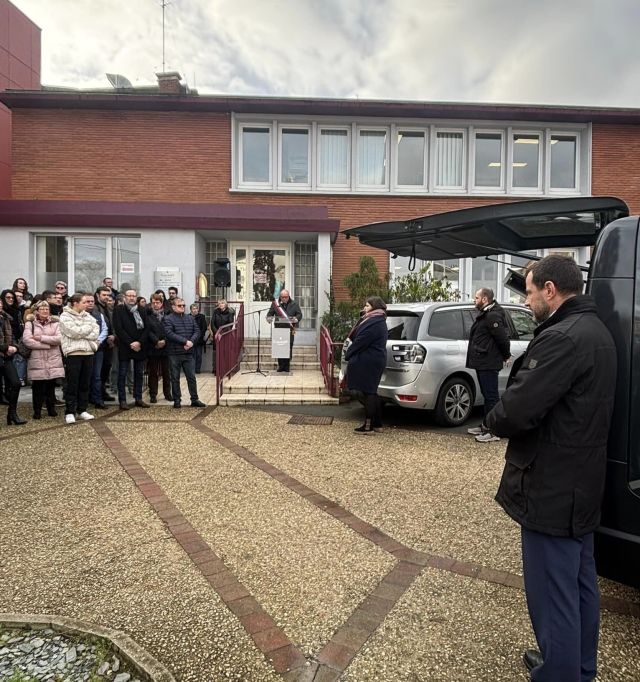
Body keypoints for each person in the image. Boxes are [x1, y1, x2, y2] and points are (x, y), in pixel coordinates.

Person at [485, 255, 617, 682]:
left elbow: (519, 409)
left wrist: (489, 419)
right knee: (580, 586)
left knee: (552, 594)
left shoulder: (562, 337)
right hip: (582, 482)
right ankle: (578, 666)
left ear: (550, 290)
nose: (525, 301)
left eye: (528, 291)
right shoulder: (598, 331)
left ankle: (559, 673)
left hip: (551, 487)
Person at [465, 287, 511, 443]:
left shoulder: (493, 316)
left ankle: (494, 430)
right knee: (487, 395)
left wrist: (506, 355)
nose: (474, 300)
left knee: (491, 397)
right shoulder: (486, 314)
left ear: (485, 299)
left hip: (488, 361)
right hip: (482, 360)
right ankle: (486, 425)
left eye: (476, 297)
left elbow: (502, 338)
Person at [344, 296, 388, 434]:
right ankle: (377, 424)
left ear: (375, 307)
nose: (364, 308)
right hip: (373, 359)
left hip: (369, 361)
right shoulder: (375, 320)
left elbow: (361, 341)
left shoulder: (374, 322)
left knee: (368, 392)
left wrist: (348, 354)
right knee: (371, 392)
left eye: (367, 306)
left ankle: (368, 426)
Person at [59, 293, 100, 424]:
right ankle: (70, 411)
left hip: (88, 352)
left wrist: (83, 331)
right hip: (73, 353)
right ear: (75, 303)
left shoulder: (88, 316)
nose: (87, 304)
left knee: (85, 383)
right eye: (84, 302)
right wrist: (86, 329)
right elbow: (73, 332)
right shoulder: (65, 316)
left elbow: (96, 331)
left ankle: (82, 409)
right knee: (72, 383)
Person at [22, 300, 64, 419]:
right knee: (38, 387)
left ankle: (51, 409)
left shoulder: (55, 323)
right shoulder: (30, 324)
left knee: (51, 386)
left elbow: (59, 339)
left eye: (47, 309)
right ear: (36, 311)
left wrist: (41, 338)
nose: (45, 311)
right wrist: (47, 345)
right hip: (37, 359)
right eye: (42, 309)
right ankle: (37, 411)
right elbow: (27, 340)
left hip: (53, 359)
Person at [164, 297, 205, 408]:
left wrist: (191, 342)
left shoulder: (190, 318)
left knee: (191, 377)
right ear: (173, 307)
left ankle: (194, 399)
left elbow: (197, 331)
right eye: (179, 305)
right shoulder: (168, 319)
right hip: (174, 353)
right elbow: (169, 333)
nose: (182, 307)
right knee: (175, 377)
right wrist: (185, 341)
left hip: (188, 353)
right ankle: (177, 400)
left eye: (183, 305)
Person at [112, 289, 149, 410]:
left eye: (134, 296)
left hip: (140, 346)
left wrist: (139, 342)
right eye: (129, 296)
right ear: (125, 297)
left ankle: (138, 398)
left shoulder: (142, 310)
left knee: (139, 374)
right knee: (122, 373)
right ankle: (122, 400)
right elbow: (119, 328)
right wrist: (131, 343)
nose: (132, 298)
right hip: (125, 346)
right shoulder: (119, 310)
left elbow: (147, 328)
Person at [0, 296, 26, 425]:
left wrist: (15, 347)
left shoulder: (6, 318)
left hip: (6, 357)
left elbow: (13, 337)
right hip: (4, 352)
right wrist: (6, 347)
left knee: (15, 383)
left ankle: (12, 414)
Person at [265, 289, 302, 372]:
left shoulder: (294, 304)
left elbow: (299, 314)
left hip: (289, 329)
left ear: (288, 296)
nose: (284, 299)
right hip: (279, 329)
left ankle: (287, 366)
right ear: (280, 297)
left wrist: (296, 318)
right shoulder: (276, 304)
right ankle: (281, 366)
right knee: (279, 347)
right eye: (282, 297)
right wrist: (269, 318)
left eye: (286, 297)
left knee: (289, 347)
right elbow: (270, 314)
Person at [145, 293, 173, 403]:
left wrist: (164, 341)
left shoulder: (168, 315)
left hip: (166, 347)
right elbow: (148, 330)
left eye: (158, 302)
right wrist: (156, 341)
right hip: (153, 347)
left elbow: (170, 329)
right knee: (153, 372)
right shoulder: (147, 315)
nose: (155, 305)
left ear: (162, 303)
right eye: (153, 303)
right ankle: (153, 394)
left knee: (166, 372)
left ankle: (167, 393)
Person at [86, 294, 109, 409]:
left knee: (97, 376)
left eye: (92, 301)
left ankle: (97, 399)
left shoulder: (99, 314)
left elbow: (105, 329)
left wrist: (99, 341)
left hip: (98, 349)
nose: (90, 303)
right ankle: (84, 400)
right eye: (88, 301)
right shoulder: (79, 315)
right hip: (84, 349)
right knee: (85, 375)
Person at [94, 286, 116, 402]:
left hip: (109, 343)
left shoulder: (109, 307)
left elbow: (112, 323)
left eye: (108, 295)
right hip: (99, 343)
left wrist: (113, 336)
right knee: (98, 371)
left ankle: (102, 391)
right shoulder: (95, 308)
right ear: (98, 295)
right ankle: (96, 395)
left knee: (106, 369)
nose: (107, 297)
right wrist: (106, 337)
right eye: (104, 295)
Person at [210, 299, 235, 375]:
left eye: (222, 303)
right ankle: (216, 370)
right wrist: (217, 332)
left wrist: (222, 333)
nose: (221, 304)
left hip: (225, 335)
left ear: (226, 304)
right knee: (216, 353)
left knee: (225, 353)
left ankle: (226, 370)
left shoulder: (230, 312)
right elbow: (212, 323)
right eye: (219, 303)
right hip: (217, 335)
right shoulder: (215, 311)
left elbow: (230, 325)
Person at [189, 302, 208, 374]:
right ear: (191, 310)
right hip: (190, 340)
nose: (195, 310)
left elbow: (204, 327)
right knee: (191, 356)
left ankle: (197, 370)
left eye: (196, 309)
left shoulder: (202, 317)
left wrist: (199, 335)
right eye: (193, 309)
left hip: (199, 340)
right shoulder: (187, 317)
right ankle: (192, 370)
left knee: (199, 355)